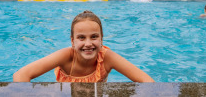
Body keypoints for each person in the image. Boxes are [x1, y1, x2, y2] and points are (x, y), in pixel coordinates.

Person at [13, 11, 155, 83]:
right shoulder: (65, 56)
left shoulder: (107, 58)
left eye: (94, 37)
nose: (88, 43)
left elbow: (148, 82)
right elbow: (20, 75)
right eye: (81, 37)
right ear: (72, 41)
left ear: (101, 39)